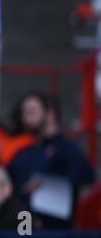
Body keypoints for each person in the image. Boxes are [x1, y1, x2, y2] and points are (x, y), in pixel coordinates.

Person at [7, 93, 94, 228]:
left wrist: (47, 183)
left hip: (54, 230)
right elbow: (7, 178)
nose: (26, 116)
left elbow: (87, 176)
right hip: (23, 227)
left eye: (31, 111)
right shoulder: (23, 151)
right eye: (24, 112)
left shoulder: (66, 148)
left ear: (49, 114)